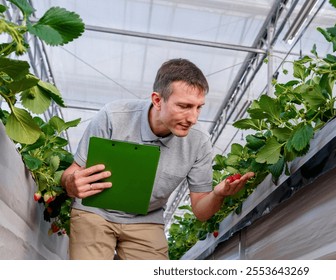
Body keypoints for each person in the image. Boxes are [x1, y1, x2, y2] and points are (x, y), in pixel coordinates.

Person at [60, 58, 254, 260]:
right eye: (184, 106)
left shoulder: (199, 141)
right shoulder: (113, 117)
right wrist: (71, 183)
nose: (193, 118)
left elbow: (201, 211)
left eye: (198, 107)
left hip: (146, 220)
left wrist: (218, 194)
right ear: (157, 100)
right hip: (95, 211)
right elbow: (72, 172)